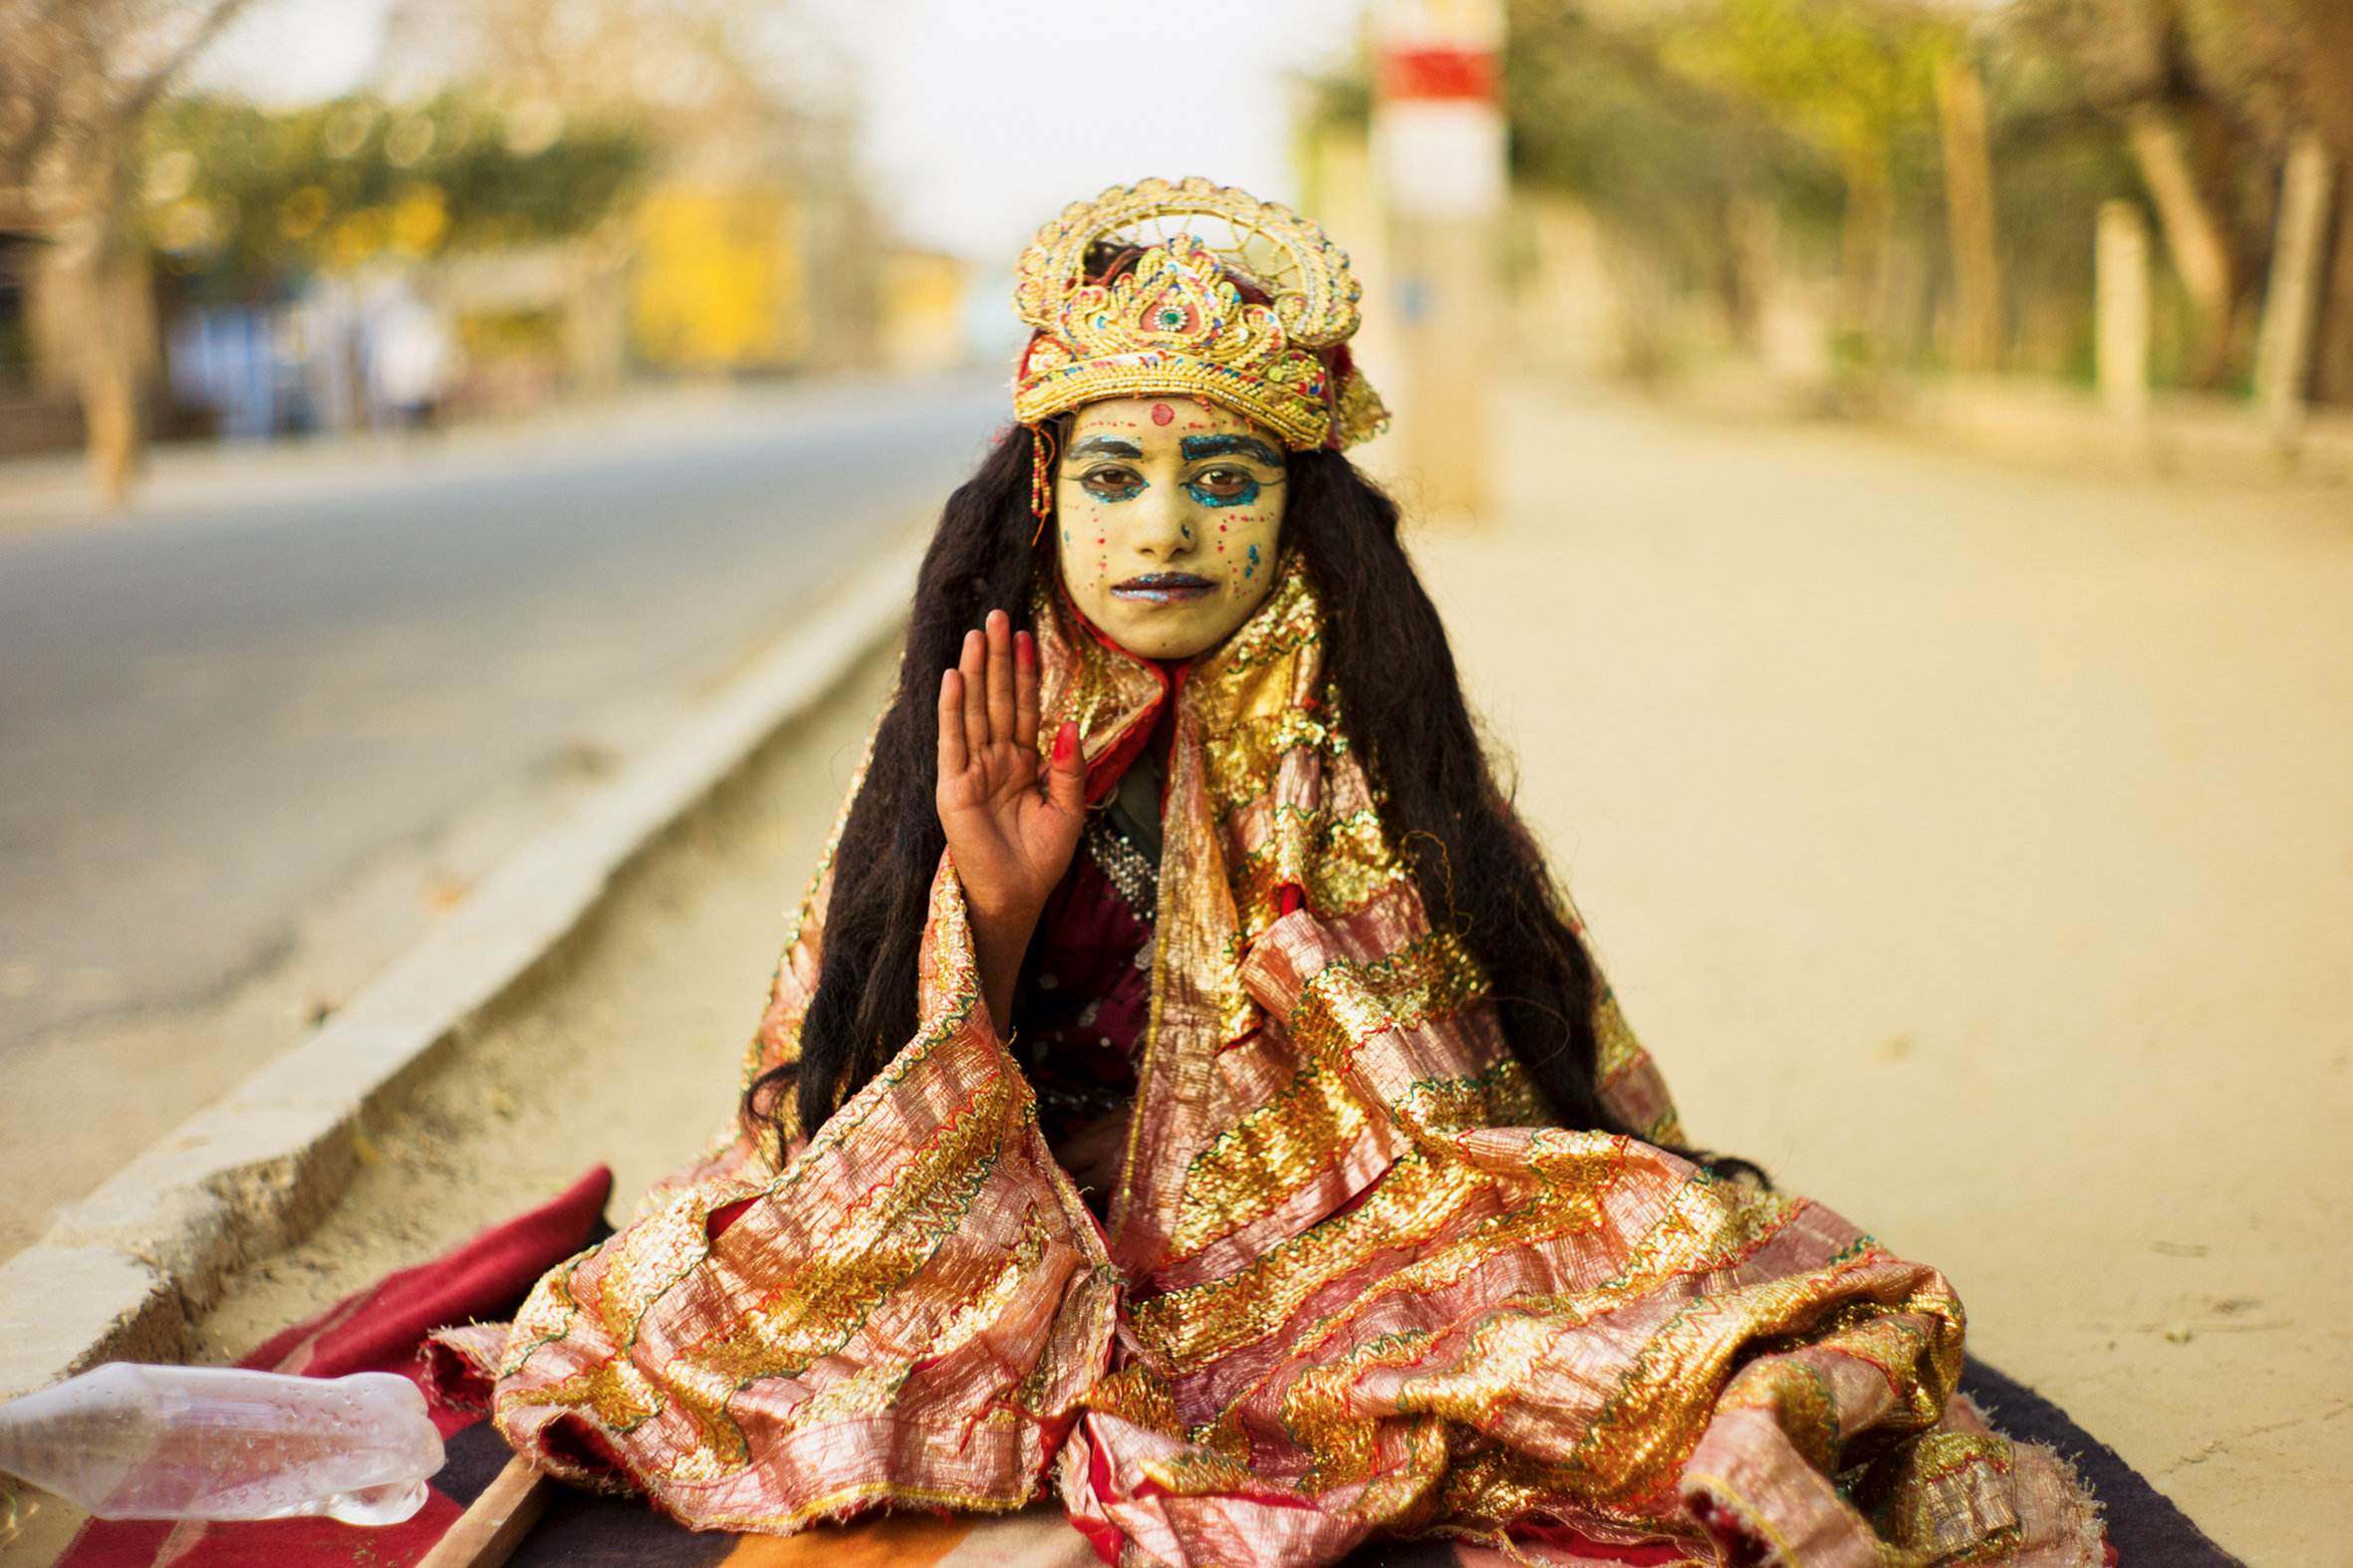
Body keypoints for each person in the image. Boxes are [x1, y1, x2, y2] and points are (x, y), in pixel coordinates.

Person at [434, 179, 2101, 1567]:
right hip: (1010, 1206)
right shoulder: (971, 730)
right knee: (732, 1307)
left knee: (1679, 1289)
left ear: (1290, 511)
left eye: (1220, 478)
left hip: (1343, 1220)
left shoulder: (1369, 743)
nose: (1163, 525)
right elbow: (831, 1113)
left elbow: (1490, 1092)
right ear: (1044, 494)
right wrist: (992, 913)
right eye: (1116, 474)